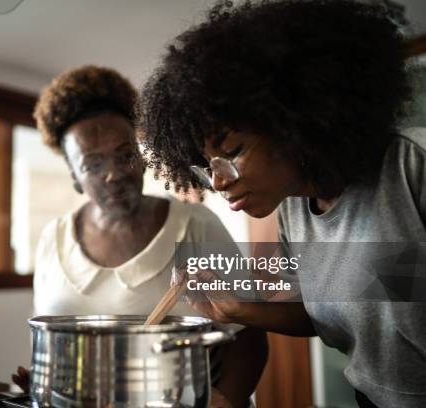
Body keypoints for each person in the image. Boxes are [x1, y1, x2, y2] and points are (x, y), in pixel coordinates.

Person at [136, 1, 425, 407]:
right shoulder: (293, 210)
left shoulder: (412, 165)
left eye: (231, 151)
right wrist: (240, 310)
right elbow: (325, 313)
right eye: (205, 166)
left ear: (292, 120)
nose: (217, 181)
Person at [13, 65, 267, 407]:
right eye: (93, 165)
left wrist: (221, 401)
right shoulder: (52, 240)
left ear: (142, 158)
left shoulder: (194, 226)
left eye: (124, 155)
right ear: (74, 176)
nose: (114, 174)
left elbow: (249, 340)